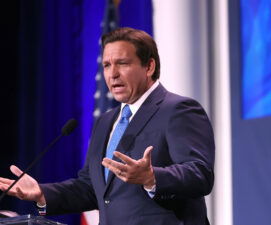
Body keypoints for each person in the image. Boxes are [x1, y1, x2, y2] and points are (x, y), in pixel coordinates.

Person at [0, 27, 215, 225]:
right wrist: (41, 193)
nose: (112, 74)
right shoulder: (106, 121)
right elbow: (91, 188)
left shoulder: (178, 109)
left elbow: (199, 174)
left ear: (149, 66)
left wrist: (152, 178)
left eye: (122, 63)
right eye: (106, 65)